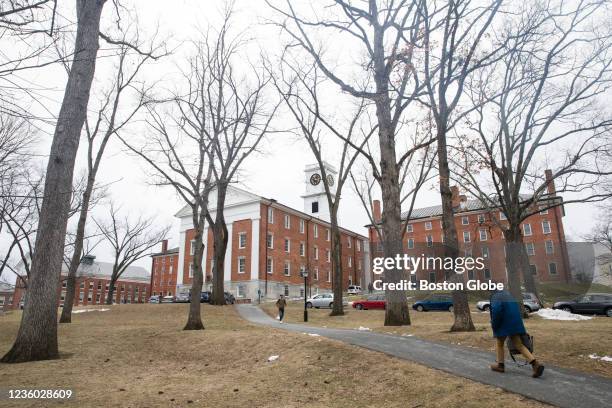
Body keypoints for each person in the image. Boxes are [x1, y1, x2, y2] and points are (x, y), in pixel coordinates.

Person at [489, 289, 544, 378]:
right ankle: (535, 363)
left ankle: (500, 365)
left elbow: (497, 311)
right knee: (519, 344)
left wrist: (494, 324)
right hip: (515, 322)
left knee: (500, 343)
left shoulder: (496, 296)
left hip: (504, 324)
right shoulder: (508, 294)